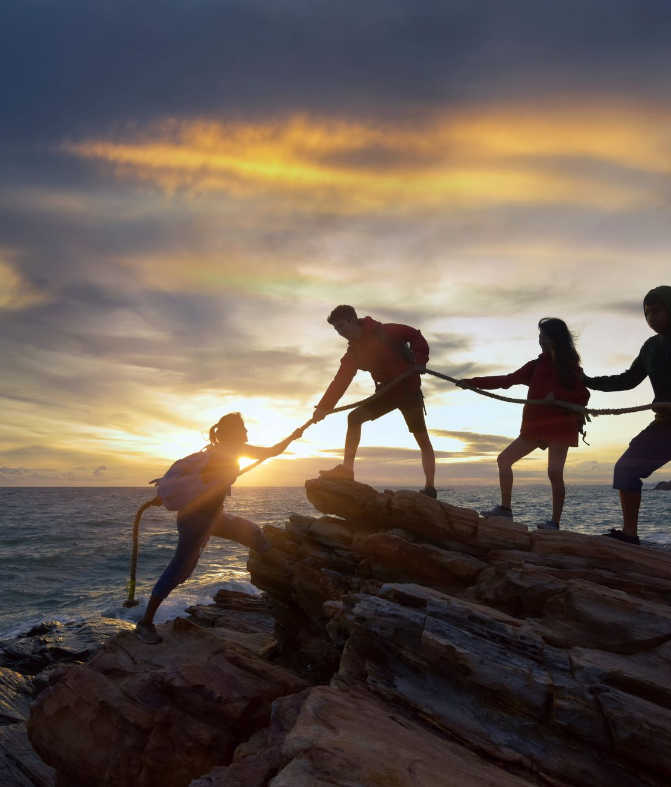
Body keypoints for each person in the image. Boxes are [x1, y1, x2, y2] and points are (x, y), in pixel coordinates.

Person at [135, 413, 300, 644]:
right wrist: (292, 437)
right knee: (178, 571)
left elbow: (268, 452)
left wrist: (292, 437)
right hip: (195, 521)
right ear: (232, 433)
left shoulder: (227, 451)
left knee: (252, 532)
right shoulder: (223, 455)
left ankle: (291, 572)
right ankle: (145, 624)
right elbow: (269, 452)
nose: (246, 433)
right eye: (243, 429)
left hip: (212, 517)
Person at [458, 318, 589, 530]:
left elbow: (583, 395)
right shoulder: (536, 365)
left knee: (554, 472)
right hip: (534, 428)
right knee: (504, 460)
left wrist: (557, 394)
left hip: (559, 427)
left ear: (555, 339)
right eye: (540, 336)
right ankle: (505, 510)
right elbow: (507, 380)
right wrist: (473, 383)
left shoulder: (570, 367)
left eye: (544, 337)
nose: (540, 341)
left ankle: (554, 523)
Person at [313, 305, 437, 497]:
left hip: (409, 391)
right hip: (386, 393)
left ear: (353, 320)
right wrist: (323, 407)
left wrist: (421, 361)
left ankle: (430, 488)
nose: (340, 332)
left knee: (422, 439)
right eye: (337, 329)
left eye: (342, 326)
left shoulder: (386, 331)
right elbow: (340, 381)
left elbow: (415, 335)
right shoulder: (353, 353)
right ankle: (347, 471)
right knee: (354, 418)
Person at [584, 286, 671, 545]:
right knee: (625, 469)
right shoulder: (650, 347)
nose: (651, 318)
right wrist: (588, 380)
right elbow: (629, 380)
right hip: (665, 426)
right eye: (646, 313)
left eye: (656, 311)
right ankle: (630, 535)